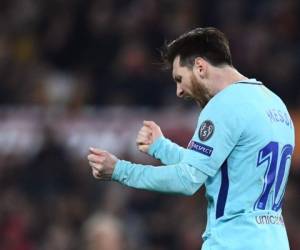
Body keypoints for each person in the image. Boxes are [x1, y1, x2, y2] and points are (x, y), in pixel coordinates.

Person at [87, 27, 295, 250]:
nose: (179, 91)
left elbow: (187, 180)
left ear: (200, 66)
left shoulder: (224, 105)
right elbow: (217, 169)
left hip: (233, 241)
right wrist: (161, 148)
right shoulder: (275, 104)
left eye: (179, 78)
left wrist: (119, 170)